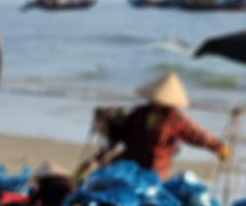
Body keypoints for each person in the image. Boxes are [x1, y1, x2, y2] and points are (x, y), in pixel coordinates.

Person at [92, 72, 226, 179]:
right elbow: (122, 132)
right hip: (131, 160)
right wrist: (108, 121)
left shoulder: (176, 118)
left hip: (156, 166)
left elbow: (197, 135)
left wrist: (218, 147)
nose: (157, 101)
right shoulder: (139, 112)